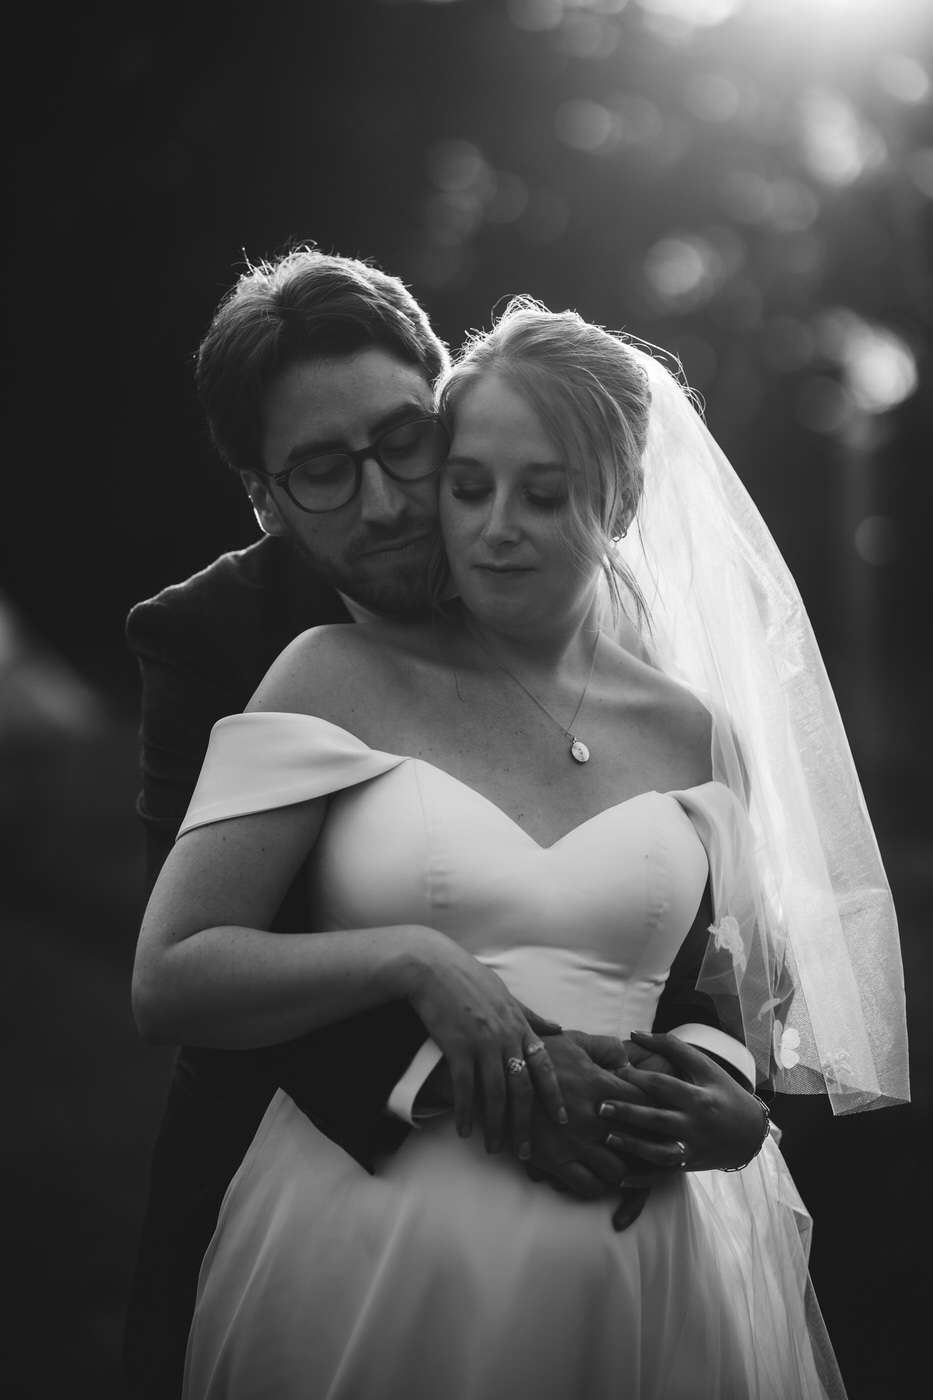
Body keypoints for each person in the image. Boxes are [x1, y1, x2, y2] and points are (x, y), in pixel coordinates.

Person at [132, 298, 909, 1398]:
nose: (414, 505)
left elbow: (721, 981)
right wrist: (438, 986)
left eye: (412, 447)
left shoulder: (691, 727)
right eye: (325, 470)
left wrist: (735, 1097)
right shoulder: (297, 661)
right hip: (373, 1223)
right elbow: (181, 965)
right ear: (265, 495)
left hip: (654, 1258)